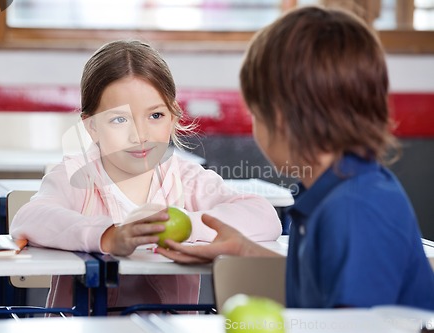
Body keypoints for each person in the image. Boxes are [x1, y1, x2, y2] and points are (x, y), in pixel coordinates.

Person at [156, 6, 434, 310]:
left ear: (278, 119)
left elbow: (352, 326)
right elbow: (321, 287)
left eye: (255, 114)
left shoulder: (354, 209)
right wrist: (246, 251)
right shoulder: (337, 191)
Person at [10, 40, 282, 312]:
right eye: (119, 119)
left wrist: (187, 225)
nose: (139, 135)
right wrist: (108, 236)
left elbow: (263, 215)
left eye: (155, 115)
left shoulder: (186, 179)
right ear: (91, 127)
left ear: (173, 118)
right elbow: (29, 217)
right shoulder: (76, 176)